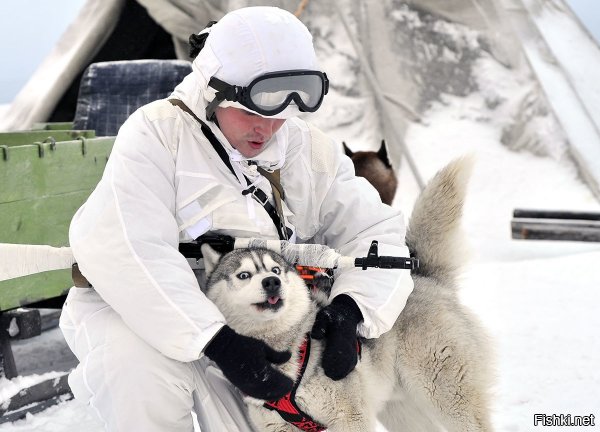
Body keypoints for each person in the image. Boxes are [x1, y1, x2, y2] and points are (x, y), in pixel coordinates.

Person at [59, 6, 414, 432]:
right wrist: (216, 340)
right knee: (139, 378)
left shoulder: (306, 149)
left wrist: (353, 308)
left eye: (280, 115)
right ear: (214, 91)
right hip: (135, 311)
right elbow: (130, 251)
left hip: (255, 316)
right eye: (251, 112)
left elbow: (375, 232)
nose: (268, 129)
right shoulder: (157, 135)